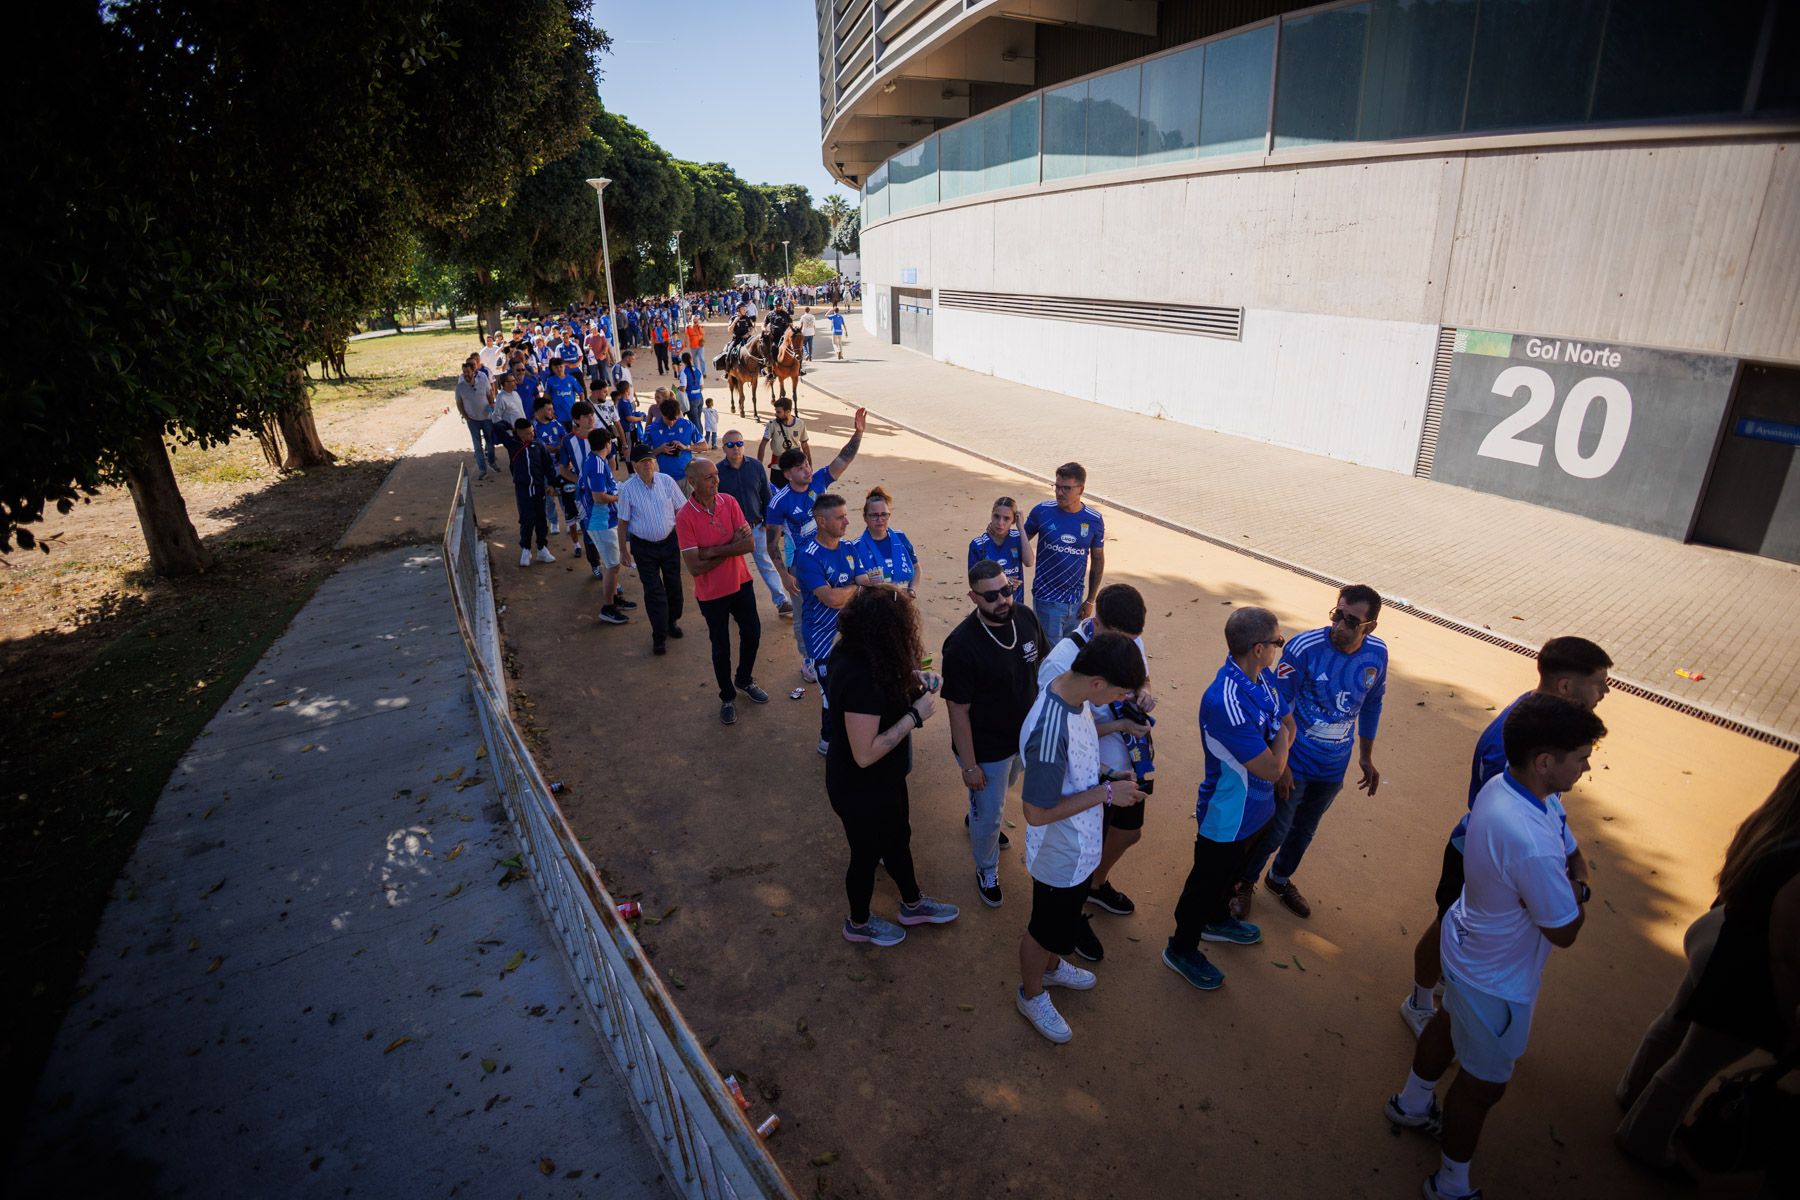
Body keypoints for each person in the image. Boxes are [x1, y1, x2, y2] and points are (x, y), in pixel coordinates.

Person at [1383, 695, 1606, 1200]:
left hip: (1468, 950)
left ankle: (1413, 1103)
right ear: (1546, 762)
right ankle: (1450, 1184)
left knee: (1447, 1021)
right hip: (1497, 978)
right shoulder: (1529, 839)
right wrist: (1581, 888)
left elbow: (1565, 842)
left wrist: (1573, 875)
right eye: (1581, 756)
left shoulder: (1510, 786)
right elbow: (1564, 931)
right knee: (1484, 1086)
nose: (1588, 765)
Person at [1400, 637, 1613, 1036]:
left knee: (1462, 926)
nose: (1605, 692)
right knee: (1449, 922)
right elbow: (1498, 816)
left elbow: (1544, 805)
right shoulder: (1514, 744)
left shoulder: (1539, 719)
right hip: (1479, 853)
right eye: (1600, 682)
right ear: (1566, 686)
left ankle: (1449, 983)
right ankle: (1419, 1000)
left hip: (1492, 853)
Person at [1615, 756, 1800, 1181]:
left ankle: (1631, 1090)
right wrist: (1788, 1019)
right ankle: (1641, 1139)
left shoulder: (1770, 823)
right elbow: (1786, 955)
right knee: (1694, 1063)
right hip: (1742, 970)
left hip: (1715, 934)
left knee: (1673, 1022)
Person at [1015, 632, 1148, 1043]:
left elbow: (1077, 770)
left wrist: (1107, 776)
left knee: (1063, 921)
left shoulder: (1077, 700)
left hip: (1079, 844)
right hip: (1060, 852)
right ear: (1097, 683)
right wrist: (1107, 793)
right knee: (1044, 929)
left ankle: (1053, 967)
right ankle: (1031, 992)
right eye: (1118, 692)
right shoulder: (1051, 728)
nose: (1117, 699)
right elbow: (1035, 813)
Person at [1234, 584, 1389, 921]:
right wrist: (1282, 764)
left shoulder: (1377, 654)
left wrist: (1365, 755)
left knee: (1305, 829)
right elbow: (1278, 705)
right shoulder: (1304, 648)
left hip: (1333, 766)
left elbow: (1373, 703)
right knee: (1275, 829)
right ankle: (1244, 883)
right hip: (1296, 761)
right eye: (1337, 614)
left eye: (1351, 621)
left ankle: (1280, 879)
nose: (1339, 626)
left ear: (1370, 627)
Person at [1163, 606, 1293, 993]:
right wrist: (1282, 744)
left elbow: (1287, 722)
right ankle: (1181, 947)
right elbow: (1273, 759)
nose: (1278, 648)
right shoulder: (1225, 701)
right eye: (1277, 642)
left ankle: (1217, 920)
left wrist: (1280, 744)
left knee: (1231, 875)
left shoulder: (1263, 678)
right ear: (1258, 648)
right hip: (1227, 815)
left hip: (1257, 809)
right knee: (1204, 883)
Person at [826, 587, 960, 947]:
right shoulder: (858, 675)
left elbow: (890, 682)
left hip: (885, 780)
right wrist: (914, 716)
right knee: (866, 855)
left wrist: (917, 680)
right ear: (888, 630)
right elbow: (864, 754)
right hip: (858, 786)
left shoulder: (868, 652)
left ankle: (912, 903)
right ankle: (857, 923)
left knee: (898, 838)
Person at [1037, 584, 1155, 952]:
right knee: (1084, 847)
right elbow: (1061, 735)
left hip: (1126, 764)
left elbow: (1140, 677)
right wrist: (1119, 728)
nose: (1131, 648)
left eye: (1135, 640)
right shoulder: (1060, 664)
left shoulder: (1127, 639)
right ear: (1098, 624)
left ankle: (1094, 888)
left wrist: (1143, 692)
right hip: (1087, 775)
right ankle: (1071, 918)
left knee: (1128, 832)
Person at [943, 560, 1043, 907]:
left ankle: (977, 814)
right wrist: (970, 767)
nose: (1002, 600)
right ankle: (986, 867)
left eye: (1007, 590)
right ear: (973, 597)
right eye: (991, 596)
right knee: (991, 814)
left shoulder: (1026, 618)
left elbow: (1040, 667)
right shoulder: (960, 646)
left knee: (1004, 791)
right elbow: (957, 710)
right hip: (986, 750)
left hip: (1022, 741)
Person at [767, 409, 866, 682]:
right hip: (800, 566)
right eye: (800, 468)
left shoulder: (820, 480)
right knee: (804, 615)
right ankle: (809, 660)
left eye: (807, 465)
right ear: (787, 474)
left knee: (840, 604)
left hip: (831, 556)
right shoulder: (779, 502)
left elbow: (843, 459)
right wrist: (785, 575)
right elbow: (772, 544)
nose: (807, 470)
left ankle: (841, 651)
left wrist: (858, 433)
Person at [793, 493, 886, 755]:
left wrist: (885, 577)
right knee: (831, 695)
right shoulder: (808, 556)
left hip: (851, 635)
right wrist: (857, 587)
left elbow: (864, 578)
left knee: (858, 685)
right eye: (840, 517)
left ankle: (856, 735)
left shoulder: (848, 548)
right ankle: (828, 741)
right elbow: (832, 598)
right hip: (822, 639)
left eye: (846, 515)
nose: (847, 521)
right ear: (821, 521)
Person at [678, 459, 767, 725]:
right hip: (712, 593)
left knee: (752, 632)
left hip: (741, 582)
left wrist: (714, 550)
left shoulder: (729, 502)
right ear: (692, 483)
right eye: (708, 477)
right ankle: (727, 696)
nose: (716, 480)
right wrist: (732, 546)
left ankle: (744, 679)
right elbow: (695, 567)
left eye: (716, 475)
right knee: (721, 647)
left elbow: (749, 544)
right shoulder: (685, 516)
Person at [616, 443, 688, 655]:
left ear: (655, 462)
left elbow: (682, 511)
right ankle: (659, 635)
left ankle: (671, 622)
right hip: (643, 547)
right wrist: (623, 550)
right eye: (643, 462)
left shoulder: (666, 482)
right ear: (635, 466)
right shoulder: (628, 489)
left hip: (669, 542)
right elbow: (623, 523)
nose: (648, 465)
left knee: (674, 585)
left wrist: (688, 539)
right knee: (654, 592)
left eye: (650, 461)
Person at [716, 429, 792, 620]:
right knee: (731, 569)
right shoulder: (717, 471)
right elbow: (716, 502)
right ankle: (734, 606)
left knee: (766, 563)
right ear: (724, 448)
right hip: (733, 532)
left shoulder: (756, 467)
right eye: (731, 445)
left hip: (757, 526)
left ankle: (781, 601)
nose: (736, 448)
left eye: (739, 443)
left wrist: (769, 522)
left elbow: (766, 495)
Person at [1024, 463, 1104, 643]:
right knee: (1051, 659)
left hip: (1076, 604)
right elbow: (1018, 542)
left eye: (1066, 488)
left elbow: (1098, 560)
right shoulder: (1042, 511)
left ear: (1081, 489)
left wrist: (1090, 600)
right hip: (1047, 601)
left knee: (1070, 657)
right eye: (1057, 487)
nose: (1059, 492)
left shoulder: (1094, 519)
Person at [576, 427, 629, 626]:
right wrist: (620, 497)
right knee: (612, 565)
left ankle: (615, 599)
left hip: (604, 520)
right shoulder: (597, 465)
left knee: (612, 564)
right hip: (601, 521)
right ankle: (608, 607)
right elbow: (598, 497)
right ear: (608, 444)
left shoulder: (594, 461)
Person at [488, 417, 556, 568]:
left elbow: (548, 466)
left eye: (532, 432)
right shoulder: (512, 444)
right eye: (527, 433)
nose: (531, 435)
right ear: (518, 434)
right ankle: (525, 549)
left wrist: (551, 483)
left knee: (541, 518)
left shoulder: (539, 446)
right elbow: (497, 427)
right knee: (526, 519)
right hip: (523, 489)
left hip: (539, 488)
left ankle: (542, 548)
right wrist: (510, 426)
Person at [854, 487, 918, 599]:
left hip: (904, 605)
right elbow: (854, 586)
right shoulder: (856, 547)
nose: (880, 519)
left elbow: (916, 567)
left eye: (884, 514)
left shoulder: (900, 537)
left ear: (890, 515)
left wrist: (912, 591)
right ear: (865, 517)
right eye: (874, 515)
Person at [640, 396, 705, 493]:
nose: (671, 423)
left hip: (687, 478)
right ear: (662, 414)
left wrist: (686, 447)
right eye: (668, 419)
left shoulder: (687, 425)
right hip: (664, 480)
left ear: (678, 414)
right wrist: (660, 449)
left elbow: (704, 446)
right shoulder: (652, 429)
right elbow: (643, 455)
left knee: (690, 507)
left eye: (674, 419)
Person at [968, 496, 1033, 589]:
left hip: (1015, 600)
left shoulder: (1017, 537)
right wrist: (1003, 582)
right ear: (991, 515)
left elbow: (1029, 562)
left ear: (1014, 520)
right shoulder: (979, 544)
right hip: (990, 602)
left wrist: (1021, 528)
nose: (1000, 522)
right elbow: (973, 581)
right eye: (996, 516)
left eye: (1006, 518)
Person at [455, 358, 497, 481]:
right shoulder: (460, 387)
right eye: (464, 372)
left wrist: (491, 405)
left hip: (486, 418)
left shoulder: (483, 382)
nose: (466, 374)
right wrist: (466, 416)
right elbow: (459, 403)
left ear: (473, 372)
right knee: (477, 445)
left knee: (490, 443)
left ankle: (492, 461)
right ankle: (482, 470)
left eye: (468, 372)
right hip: (472, 420)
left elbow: (490, 396)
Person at [757, 397, 810, 471]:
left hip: (795, 467)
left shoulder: (800, 423)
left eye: (779, 412)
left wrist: (809, 465)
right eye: (776, 411)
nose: (776, 414)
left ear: (788, 412)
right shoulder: (771, 425)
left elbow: (805, 445)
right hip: (777, 467)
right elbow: (762, 445)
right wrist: (759, 466)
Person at [761, 302, 793, 378]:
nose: (778, 307)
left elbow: (791, 324)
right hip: (773, 337)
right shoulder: (770, 314)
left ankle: (799, 368)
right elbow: (763, 325)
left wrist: (790, 331)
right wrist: (766, 330)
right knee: (771, 349)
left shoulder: (785, 314)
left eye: (779, 306)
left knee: (795, 348)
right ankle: (769, 371)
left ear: (782, 306)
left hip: (784, 337)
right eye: (776, 306)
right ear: (774, 306)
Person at [678, 352, 705, 428]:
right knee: (698, 420)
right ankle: (701, 437)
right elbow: (702, 387)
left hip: (690, 399)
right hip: (700, 398)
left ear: (682, 361)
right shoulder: (698, 370)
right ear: (691, 359)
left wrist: (678, 389)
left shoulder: (684, 372)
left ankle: (699, 439)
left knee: (694, 423)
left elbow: (683, 388)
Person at [685, 314, 706, 379]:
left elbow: (703, 333)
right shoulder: (689, 327)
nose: (695, 320)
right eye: (694, 319)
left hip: (700, 345)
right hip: (693, 346)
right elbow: (687, 336)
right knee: (694, 360)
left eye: (696, 319)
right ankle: (696, 372)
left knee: (701, 358)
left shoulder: (701, 326)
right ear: (692, 320)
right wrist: (686, 342)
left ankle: (704, 372)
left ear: (698, 320)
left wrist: (699, 326)